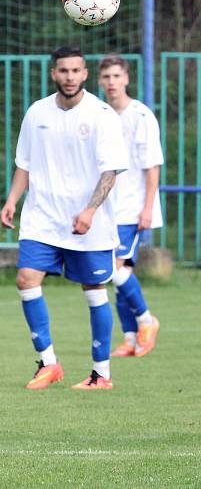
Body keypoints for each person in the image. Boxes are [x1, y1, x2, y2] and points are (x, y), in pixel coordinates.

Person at [1, 46, 128, 390]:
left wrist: (89, 211)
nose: (69, 77)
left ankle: (101, 373)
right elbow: (24, 164)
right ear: (53, 73)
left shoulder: (102, 115)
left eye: (76, 71)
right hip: (42, 217)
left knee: (94, 288)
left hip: (89, 223)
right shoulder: (36, 112)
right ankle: (48, 363)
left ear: (85, 74)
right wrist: (11, 200)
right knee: (26, 279)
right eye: (63, 71)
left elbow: (110, 172)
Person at [97, 55, 164, 358]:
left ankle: (147, 321)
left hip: (131, 207)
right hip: (104, 208)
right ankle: (130, 337)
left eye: (116, 76)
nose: (111, 82)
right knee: (115, 274)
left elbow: (152, 167)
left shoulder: (141, 116)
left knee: (115, 270)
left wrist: (147, 208)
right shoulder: (98, 114)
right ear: (99, 81)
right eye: (106, 77)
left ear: (126, 78)